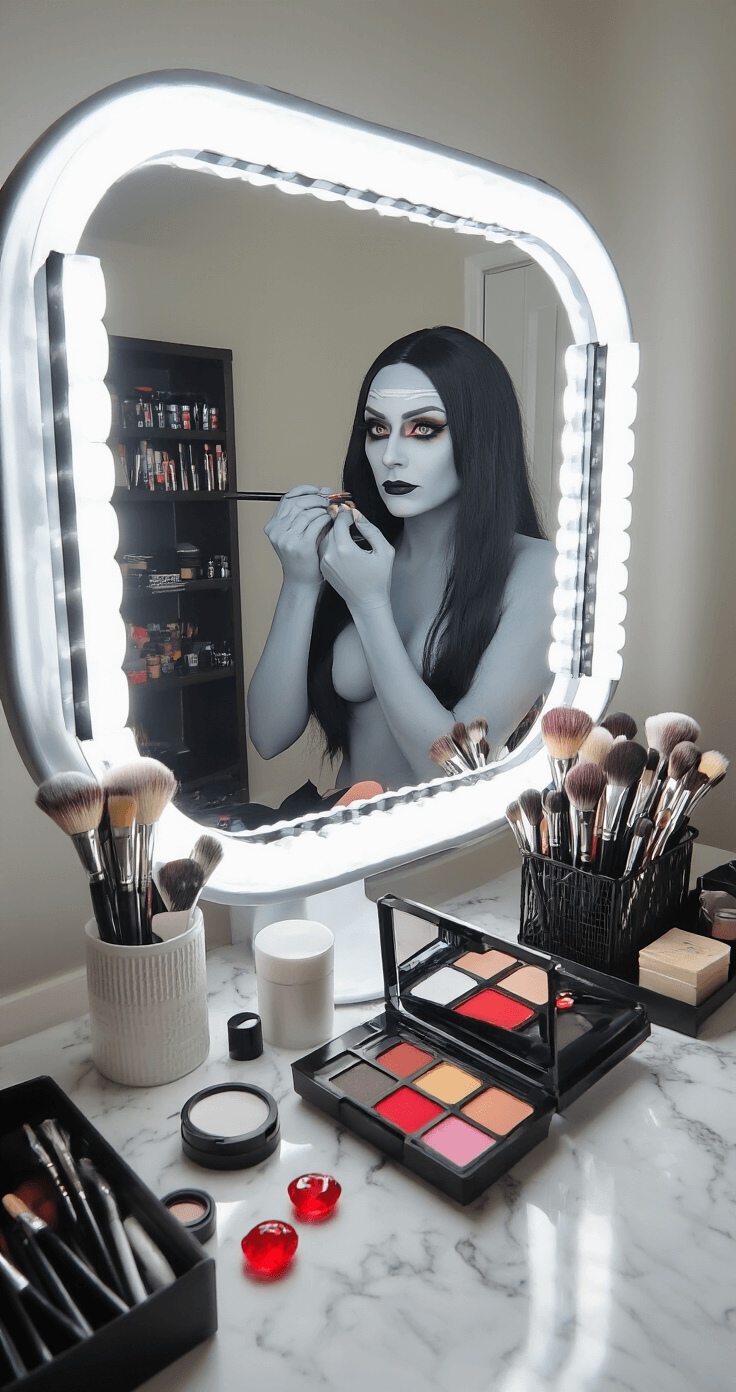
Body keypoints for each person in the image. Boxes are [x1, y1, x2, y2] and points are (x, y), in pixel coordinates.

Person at [247, 325, 555, 792]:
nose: (390, 455)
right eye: (377, 429)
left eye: (423, 429)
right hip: (341, 825)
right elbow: (268, 736)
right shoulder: (349, 555)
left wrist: (369, 604)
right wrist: (300, 583)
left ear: (482, 436)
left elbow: (453, 773)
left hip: (438, 839)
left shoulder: (539, 571)